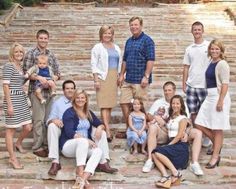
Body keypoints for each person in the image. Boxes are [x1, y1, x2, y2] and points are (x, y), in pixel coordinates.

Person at [142, 81, 204, 176]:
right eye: (165, 90)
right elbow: (149, 116)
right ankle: (150, 159)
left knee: (198, 133)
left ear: (174, 91)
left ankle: (195, 163)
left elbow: (188, 121)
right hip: (165, 130)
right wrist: (156, 118)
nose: (167, 92)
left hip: (179, 131)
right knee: (153, 127)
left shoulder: (180, 103)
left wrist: (186, 133)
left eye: (169, 90)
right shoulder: (159, 102)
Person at [59, 90, 118, 189]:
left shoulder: (88, 113)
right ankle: (80, 172)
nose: (80, 100)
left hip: (84, 146)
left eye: (82, 98)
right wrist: (87, 140)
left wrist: (99, 128)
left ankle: (82, 180)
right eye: (78, 98)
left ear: (86, 100)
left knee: (98, 151)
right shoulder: (69, 112)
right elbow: (70, 133)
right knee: (82, 141)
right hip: (69, 146)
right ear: (74, 99)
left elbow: (99, 123)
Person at [23, 29, 60, 157]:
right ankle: (37, 147)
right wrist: (39, 78)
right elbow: (26, 73)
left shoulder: (51, 55)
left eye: (45, 38)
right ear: (37, 38)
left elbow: (57, 73)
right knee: (38, 120)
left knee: (47, 119)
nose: (43, 40)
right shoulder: (31, 54)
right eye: (41, 38)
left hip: (49, 92)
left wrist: (50, 80)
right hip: (36, 91)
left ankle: (46, 144)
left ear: (48, 39)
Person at [195, 39, 231, 169]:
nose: (214, 51)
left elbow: (225, 84)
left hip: (218, 96)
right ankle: (217, 145)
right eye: (212, 48)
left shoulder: (222, 64)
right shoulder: (211, 62)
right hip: (209, 97)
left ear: (221, 51)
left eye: (217, 49)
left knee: (217, 127)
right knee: (199, 122)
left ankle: (215, 156)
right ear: (209, 50)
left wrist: (220, 100)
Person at [118, 16, 155, 128]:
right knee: (124, 102)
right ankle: (130, 127)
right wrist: (121, 75)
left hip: (140, 80)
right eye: (132, 25)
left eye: (136, 25)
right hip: (128, 79)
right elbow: (125, 59)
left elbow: (151, 59)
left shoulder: (147, 40)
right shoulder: (129, 41)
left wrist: (146, 76)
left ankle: (144, 127)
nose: (133, 27)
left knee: (141, 106)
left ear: (141, 26)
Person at [2, 42, 32, 169]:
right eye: (16, 52)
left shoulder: (20, 67)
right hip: (12, 99)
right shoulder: (9, 66)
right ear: (12, 54)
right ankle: (12, 158)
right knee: (10, 130)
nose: (19, 54)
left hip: (21, 99)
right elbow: (5, 86)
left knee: (28, 127)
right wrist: (9, 105)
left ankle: (18, 143)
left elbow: (22, 80)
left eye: (21, 52)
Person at [182, 21, 211, 148]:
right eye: (195, 29)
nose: (197, 32)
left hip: (205, 85)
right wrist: (184, 84)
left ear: (202, 31)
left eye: (199, 29)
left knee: (205, 113)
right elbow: (186, 67)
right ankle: (198, 134)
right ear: (191, 31)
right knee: (193, 113)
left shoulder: (209, 46)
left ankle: (206, 137)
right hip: (191, 86)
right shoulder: (189, 49)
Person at [91, 25, 122, 142]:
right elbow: (93, 64)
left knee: (109, 104)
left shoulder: (116, 47)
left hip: (114, 76)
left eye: (109, 33)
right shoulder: (97, 47)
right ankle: (107, 130)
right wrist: (96, 80)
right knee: (104, 104)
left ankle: (105, 125)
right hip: (103, 76)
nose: (107, 35)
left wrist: (120, 76)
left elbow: (119, 63)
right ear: (101, 34)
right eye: (105, 33)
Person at [152, 95, 189, 188]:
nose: (175, 105)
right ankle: (166, 176)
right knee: (153, 153)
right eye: (173, 103)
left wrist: (168, 145)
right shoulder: (171, 117)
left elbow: (179, 135)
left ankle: (176, 173)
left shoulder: (183, 118)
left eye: (177, 103)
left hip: (180, 147)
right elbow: (168, 130)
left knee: (158, 151)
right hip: (173, 145)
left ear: (181, 105)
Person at [47, 80, 76, 176]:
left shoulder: (80, 99)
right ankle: (55, 162)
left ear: (75, 90)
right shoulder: (58, 103)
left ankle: (103, 161)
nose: (70, 90)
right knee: (51, 126)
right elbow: (49, 119)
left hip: (77, 130)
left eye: (72, 88)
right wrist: (53, 120)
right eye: (67, 88)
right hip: (62, 129)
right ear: (63, 90)